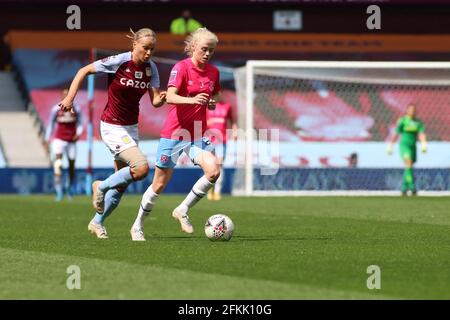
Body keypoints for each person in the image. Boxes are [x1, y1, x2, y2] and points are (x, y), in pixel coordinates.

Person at [59, 28, 166, 239]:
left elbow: (154, 101)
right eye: (145, 48)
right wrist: (70, 99)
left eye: (152, 49)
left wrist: (161, 99)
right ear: (134, 44)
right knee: (142, 168)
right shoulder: (119, 61)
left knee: (121, 185)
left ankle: (97, 222)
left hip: (130, 127)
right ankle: (100, 186)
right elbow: (83, 71)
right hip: (111, 126)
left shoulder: (151, 68)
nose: (148, 53)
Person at [131, 27, 221, 241]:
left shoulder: (213, 72)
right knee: (159, 184)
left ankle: (182, 209)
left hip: (197, 134)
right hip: (174, 133)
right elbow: (170, 97)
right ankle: (137, 226)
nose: (208, 54)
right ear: (192, 48)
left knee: (213, 172)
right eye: (204, 49)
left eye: (212, 51)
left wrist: (210, 102)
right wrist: (192, 100)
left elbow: (213, 94)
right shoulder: (181, 68)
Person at [44, 88, 84, 201]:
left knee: (71, 166)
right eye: (65, 94)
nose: (67, 96)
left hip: (71, 140)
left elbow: (80, 123)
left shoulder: (76, 109)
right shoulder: (56, 109)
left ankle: (70, 188)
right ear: (61, 95)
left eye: (68, 94)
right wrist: (47, 139)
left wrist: (78, 133)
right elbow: (51, 125)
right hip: (59, 139)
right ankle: (59, 191)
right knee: (58, 163)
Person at [387, 104, 427, 196]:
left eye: (414, 110)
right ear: (407, 111)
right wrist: (390, 145)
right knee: (408, 163)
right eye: (410, 109)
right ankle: (412, 186)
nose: (412, 111)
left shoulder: (418, 122)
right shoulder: (403, 121)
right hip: (404, 146)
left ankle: (404, 188)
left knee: (409, 166)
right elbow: (396, 133)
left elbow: (421, 134)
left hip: (413, 146)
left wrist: (424, 144)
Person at [205, 95, 237, 200]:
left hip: (221, 141)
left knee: (219, 165)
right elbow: (201, 121)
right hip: (208, 140)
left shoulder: (227, 107)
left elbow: (232, 121)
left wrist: (235, 131)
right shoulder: (207, 106)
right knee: (209, 166)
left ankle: (217, 191)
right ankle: (209, 189)